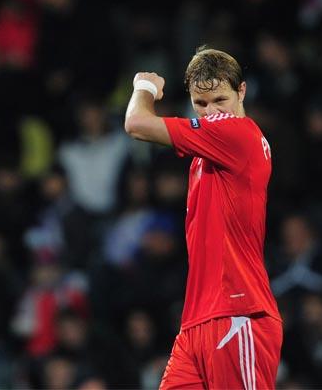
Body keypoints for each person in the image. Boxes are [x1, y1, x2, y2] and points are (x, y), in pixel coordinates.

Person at [124, 47, 282, 389]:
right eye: (201, 104)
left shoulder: (237, 134)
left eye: (220, 100)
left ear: (242, 92)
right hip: (197, 321)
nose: (212, 113)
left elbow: (137, 123)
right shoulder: (206, 152)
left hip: (238, 312)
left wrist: (144, 87)